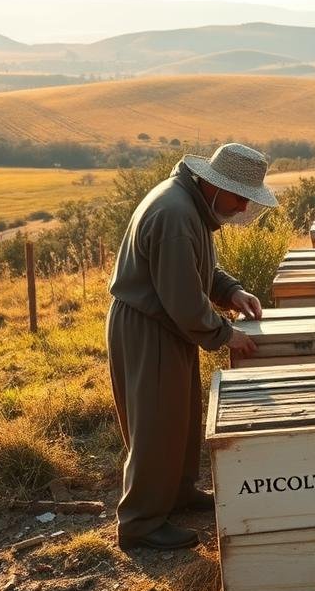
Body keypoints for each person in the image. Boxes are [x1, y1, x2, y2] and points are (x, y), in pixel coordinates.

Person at [106, 143, 278, 550]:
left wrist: (231, 291)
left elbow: (200, 269)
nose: (241, 208)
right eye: (239, 197)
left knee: (180, 417)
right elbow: (183, 298)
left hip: (165, 323)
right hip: (149, 326)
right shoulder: (175, 215)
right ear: (215, 184)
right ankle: (141, 523)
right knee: (156, 425)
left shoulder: (191, 204)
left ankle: (176, 495)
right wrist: (224, 334)